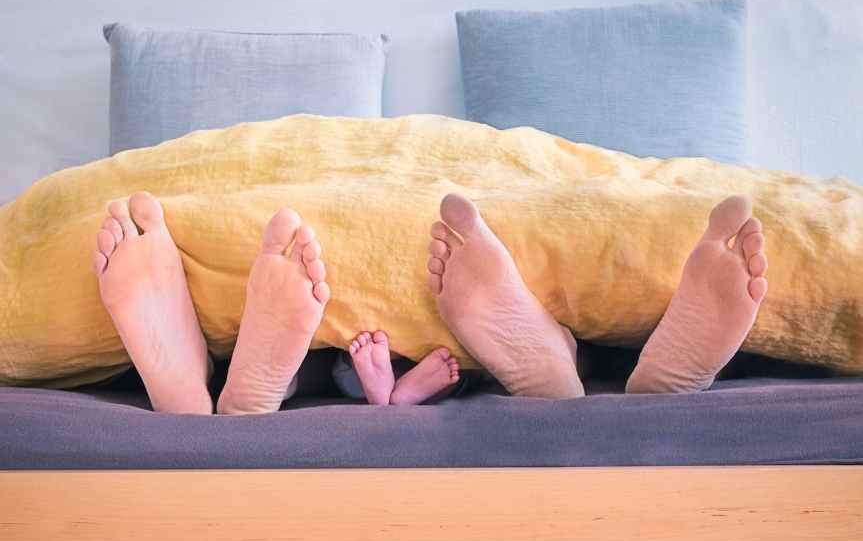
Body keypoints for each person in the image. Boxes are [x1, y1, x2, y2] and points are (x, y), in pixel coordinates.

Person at [92, 190, 767, 414]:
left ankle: (201, 385)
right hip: (433, 365)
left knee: (319, 355)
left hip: (353, 367)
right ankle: (569, 362)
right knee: (585, 348)